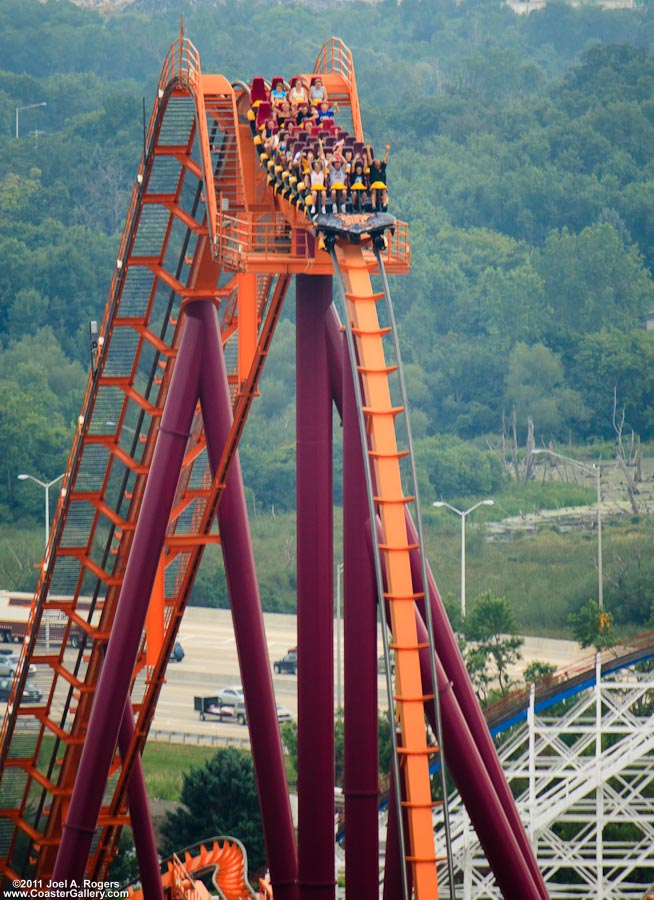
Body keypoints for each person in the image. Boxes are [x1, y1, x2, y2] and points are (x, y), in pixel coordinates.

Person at [366, 141, 390, 211]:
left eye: (379, 162)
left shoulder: (382, 168)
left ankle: (385, 204)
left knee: (384, 191)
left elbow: (385, 160)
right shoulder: (372, 168)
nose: (377, 163)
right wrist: (368, 150)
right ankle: (373, 205)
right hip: (374, 185)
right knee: (374, 192)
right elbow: (370, 160)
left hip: (382, 185)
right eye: (376, 162)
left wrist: (387, 151)